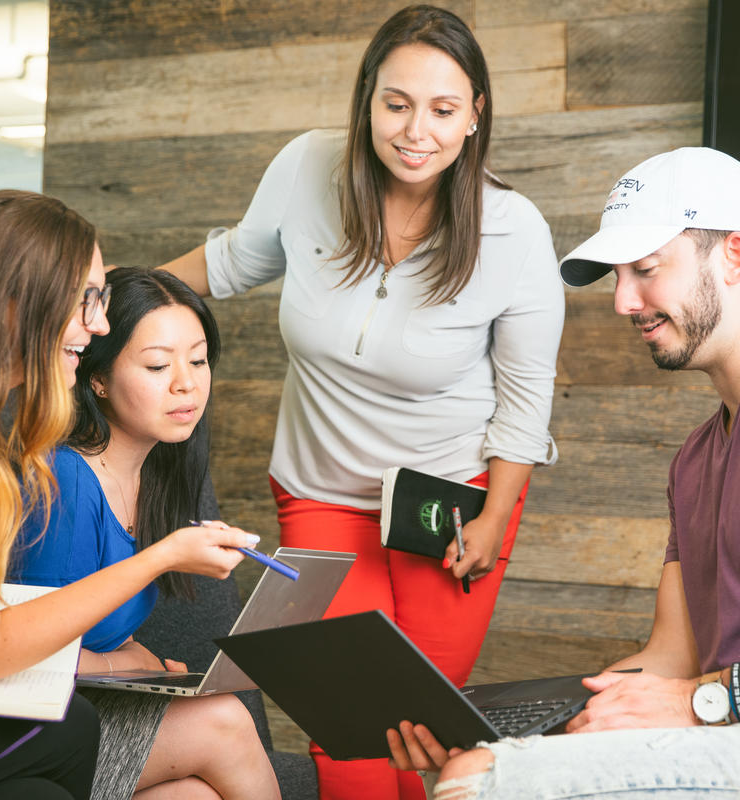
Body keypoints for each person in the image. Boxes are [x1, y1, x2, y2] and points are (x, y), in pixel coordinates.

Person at [159, 5, 564, 799]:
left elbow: (524, 400)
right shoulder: (309, 168)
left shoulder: (513, 232)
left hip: (449, 508)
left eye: (444, 110)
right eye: (397, 103)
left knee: (422, 734)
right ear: (368, 99)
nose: (418, 130)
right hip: (322, 494)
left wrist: (491, 519)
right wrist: (96, 298)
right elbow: (235, 260)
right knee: (348, 725)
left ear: (476, 115)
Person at [387, 145, 740, 799]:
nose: (623, 301)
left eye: (645, 269)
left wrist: (702, 704)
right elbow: (671, 660)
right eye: (616, 276)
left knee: (478, 785)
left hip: (724, 728)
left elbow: (690, 690)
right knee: (480, 760)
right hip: (717, 730)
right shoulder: (695, 462)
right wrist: (518, 727)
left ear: (733, 254)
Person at [0, 189, 263, 800]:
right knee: (72, 737)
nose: (99, 324)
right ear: (15, 305)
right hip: (2, 703)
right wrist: (162, 558)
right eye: (88, 299)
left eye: (197, 361)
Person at [9, 267, 281, 800]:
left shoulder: (156, 472)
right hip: (33, 726)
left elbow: (101, 624)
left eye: (199, 360)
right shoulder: (67, 480)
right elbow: (28, 656)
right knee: (224, 721)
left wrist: (146, 665)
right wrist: (124, 664)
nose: (186, 383)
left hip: (88, 704)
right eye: (158, 364)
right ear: (98, 379)